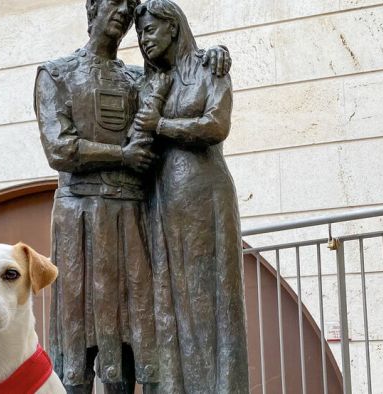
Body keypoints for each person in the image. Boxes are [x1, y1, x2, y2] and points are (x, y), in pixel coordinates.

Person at [34, 1, 231, 392]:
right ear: (93, 9)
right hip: (82, 218)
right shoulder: (55, 74)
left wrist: (210, 55)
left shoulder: (140, 79)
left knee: (135, 334)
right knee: (76, 338)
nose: (123, 10)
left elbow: (186, 80)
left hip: (133, 218)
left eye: (130, 4)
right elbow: (60, 149)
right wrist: (121, 155)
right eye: (114, 1)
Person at [132, 1, 249, 393]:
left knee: (210, 299)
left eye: (149, 30)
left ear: (172, 26)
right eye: (140, 34)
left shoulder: (208, 68)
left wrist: (160, 125)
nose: (143, 40)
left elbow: (216, 125)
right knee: (170, 303)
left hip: (204, 196)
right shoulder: (150, 83)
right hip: (162, 201)